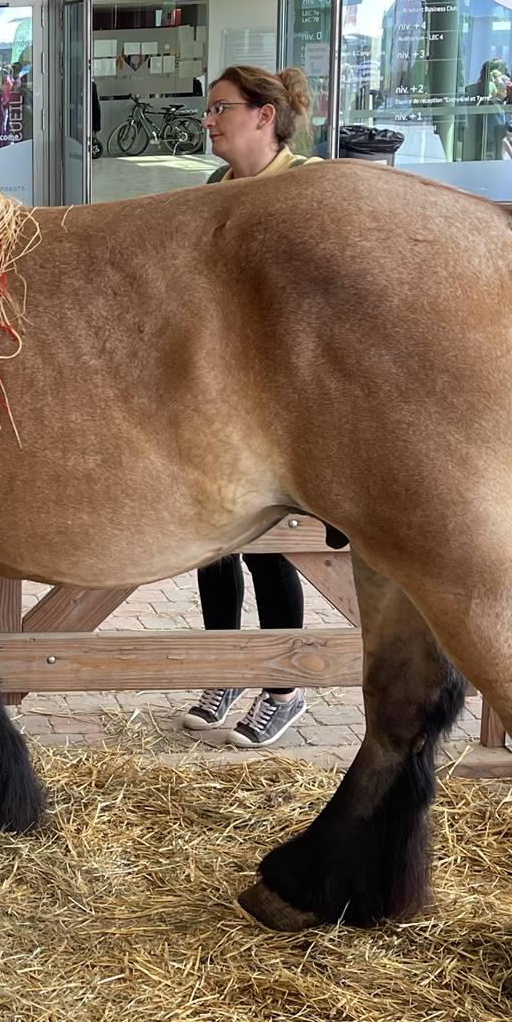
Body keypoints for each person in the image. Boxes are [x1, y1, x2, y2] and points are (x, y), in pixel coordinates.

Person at [180, 64, 318, 749]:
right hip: (221, 401)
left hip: (287, 406)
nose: (210, 120)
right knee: (214, 548)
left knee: (273, 552)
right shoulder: (214, 189)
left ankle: (282, 687)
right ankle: (224, 671)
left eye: (221, 108)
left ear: (265, 115)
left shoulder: (308, 188)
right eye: (208, 110)